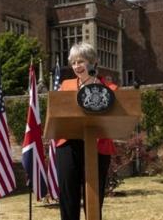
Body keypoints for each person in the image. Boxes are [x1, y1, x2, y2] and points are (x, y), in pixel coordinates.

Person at [55, 42, 117, 220]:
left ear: (93, 62)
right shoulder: (65, 86)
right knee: (68, 197)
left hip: (97, 146)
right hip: (68, 145)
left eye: (80, 61)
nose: (76, 66)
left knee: (94, 197)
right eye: (73, 62)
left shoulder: (110, 89)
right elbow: (57, 112)